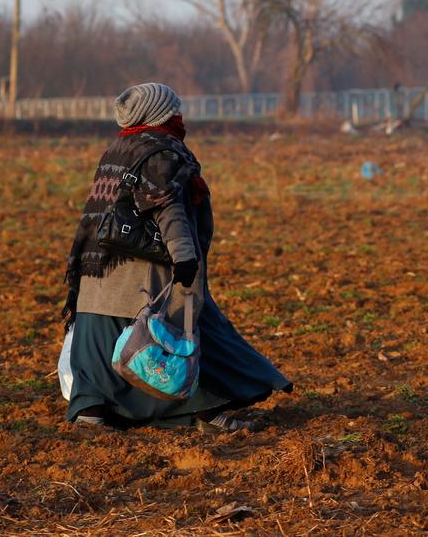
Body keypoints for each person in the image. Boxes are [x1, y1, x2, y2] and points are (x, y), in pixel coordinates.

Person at [63, 82, 291, 431]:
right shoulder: (163, 152)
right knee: (181, 333)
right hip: (144, 271)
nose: (180, 116)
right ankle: (206, 409)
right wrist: (184, 257)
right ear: (159, 115)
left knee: (101, 343)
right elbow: (170, 209)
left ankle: (91, 410)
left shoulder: (117, 148)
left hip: (98, 270)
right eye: (174, 110)